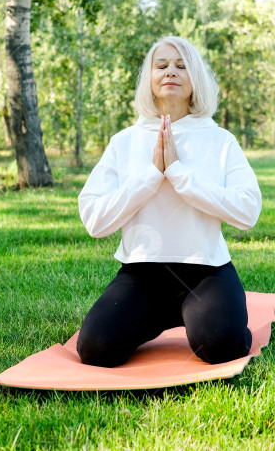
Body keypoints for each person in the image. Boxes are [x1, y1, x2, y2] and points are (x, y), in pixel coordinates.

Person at [76, 36, 262, 367]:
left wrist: (179, 174)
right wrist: (151, 176)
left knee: (222, 345)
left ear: (196, 79)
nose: (170, 72)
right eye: (161, 66)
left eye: (181, 65)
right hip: (141, 273)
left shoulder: (220, 140)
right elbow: (94, 220)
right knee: (96, 348)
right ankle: (156, 317)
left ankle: (218, 316)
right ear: (149, 78)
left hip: (207, 272)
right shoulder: (124, 142)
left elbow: (247, 211)